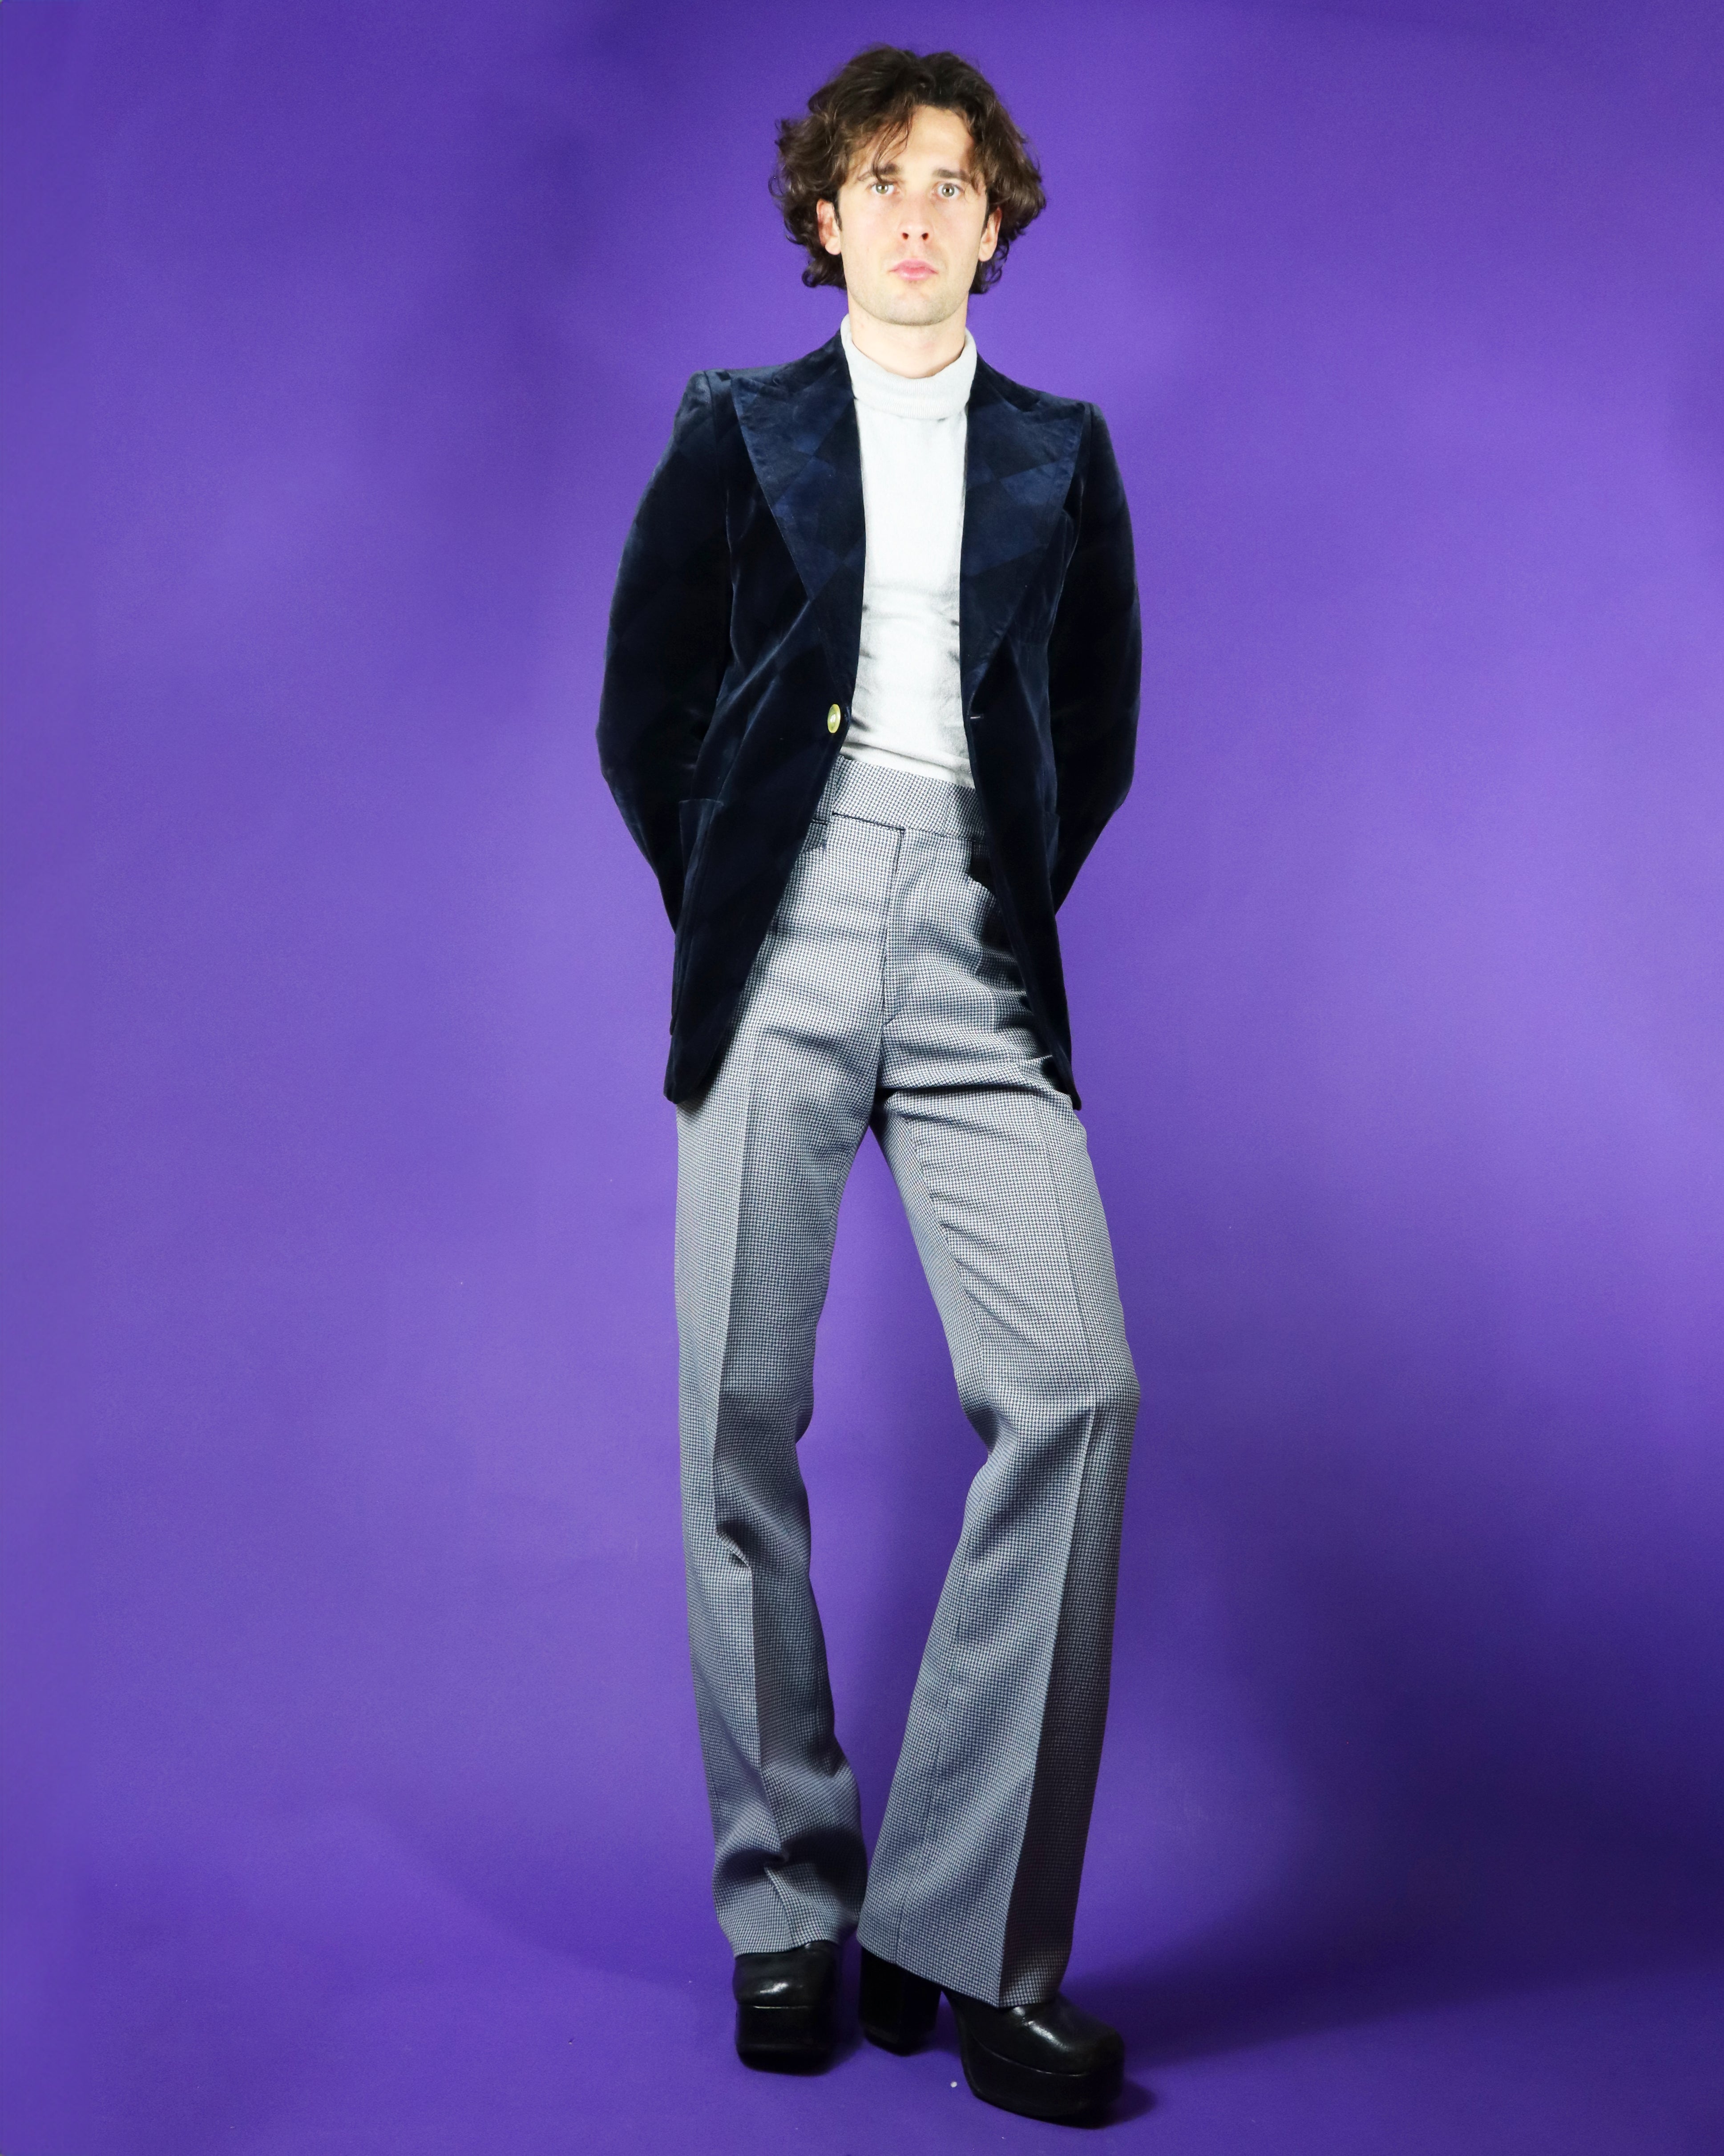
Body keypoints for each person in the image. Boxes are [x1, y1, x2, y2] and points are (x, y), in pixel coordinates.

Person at [597, 44, 1142, 2124]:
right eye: (880, 181)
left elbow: (1094, 726)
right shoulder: (738, 429)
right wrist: (751, 894)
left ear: (997, 222)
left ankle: (959, 1933)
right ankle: (786, 1905)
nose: (917, 213)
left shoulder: (1064, 456)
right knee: (735, 1419)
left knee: (1078, 1388)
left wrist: (981, 892)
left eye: (953, 182)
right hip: (785, 930)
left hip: (981, 939)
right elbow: (646, 709)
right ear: (826, 218)